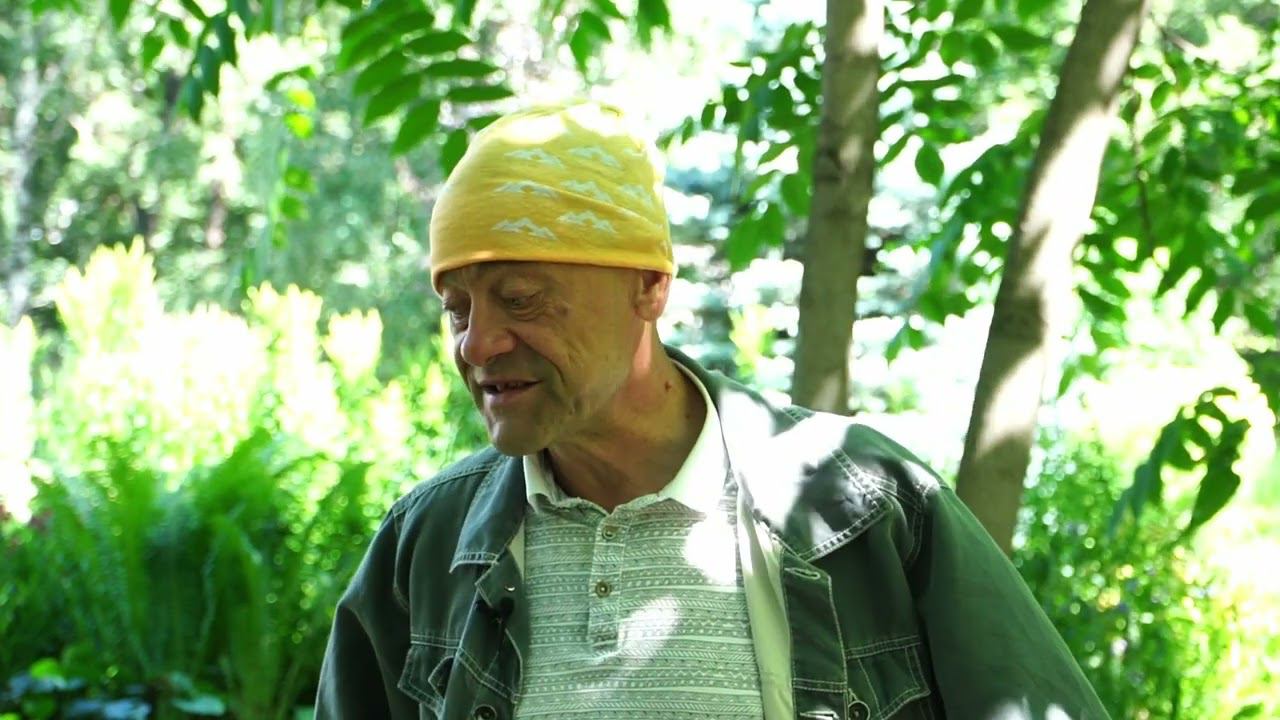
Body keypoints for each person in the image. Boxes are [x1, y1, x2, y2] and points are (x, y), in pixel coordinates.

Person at [315, 101, 1110, 720]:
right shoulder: (423, 548)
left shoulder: (866, 510)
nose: (478, 344)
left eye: (521, 299)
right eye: (457, 309)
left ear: (649, 287)